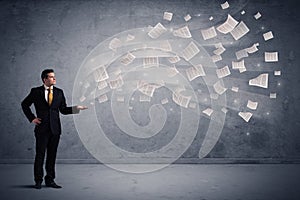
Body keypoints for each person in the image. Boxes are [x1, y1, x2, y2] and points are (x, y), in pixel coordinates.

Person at [21, 69, 87, 189]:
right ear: (44, 79)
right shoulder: (36, 92)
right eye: (51, 77)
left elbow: (63, 110)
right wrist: (32, 118)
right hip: (41, 129)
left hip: (55, 130)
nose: (54, 79)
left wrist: (76, 108)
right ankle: (38, 180)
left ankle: (50, 180)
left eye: (54, 76)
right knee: (40, 155)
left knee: (52, 156)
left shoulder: (59, 92)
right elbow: (24, 104)